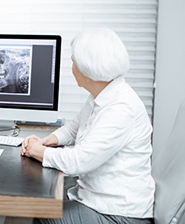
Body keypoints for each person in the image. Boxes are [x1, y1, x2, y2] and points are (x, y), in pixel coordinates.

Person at [21, 28, 155, 224]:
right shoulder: (103, 95)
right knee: (43, 201)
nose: (72, 67)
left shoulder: (121, 108)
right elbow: (75, 127)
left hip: (119, 213)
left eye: (74, 62)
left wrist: (37, 151)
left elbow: (79, 161)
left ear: (87, 70)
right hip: (97, 198)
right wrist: (47, 141)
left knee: (44, 217)